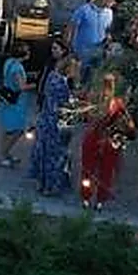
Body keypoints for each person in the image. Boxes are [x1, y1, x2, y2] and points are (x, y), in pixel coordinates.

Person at [79, 71, 135, 210]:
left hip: (92, 137)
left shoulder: (92, 99)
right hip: (110, 140)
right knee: (106, 171)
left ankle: (86, 197)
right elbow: (129, 124)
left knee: (88, 170)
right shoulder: (119, 103)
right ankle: (100, 200)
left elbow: (86, 117)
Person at [29, 53, 80, 197]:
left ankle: (41, 183)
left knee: (42, 152)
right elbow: (66, 104)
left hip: (45, 120)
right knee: (54, 155)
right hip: (55, 124)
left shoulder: (52, 76)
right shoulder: (62, 84)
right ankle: (50, 186)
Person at [65, 0, 115, 83]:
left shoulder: (109, 13)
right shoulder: (83, 10)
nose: (112, 3)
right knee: (77, 79)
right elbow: (71, 28)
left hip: (99, 52)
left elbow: (108, 30)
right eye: (110, 0)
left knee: (93, 79)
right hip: (81, 51)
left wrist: (109, 42)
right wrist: (69, 46)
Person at [0, 41, 34, 167]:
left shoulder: (9, 62)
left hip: (8, 99)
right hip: (16, 102)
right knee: (17, 130)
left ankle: (5, 154)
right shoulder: (17, 67)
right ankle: (3, 154)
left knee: (8, 129)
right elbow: (21, 86)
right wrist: (37, 84)